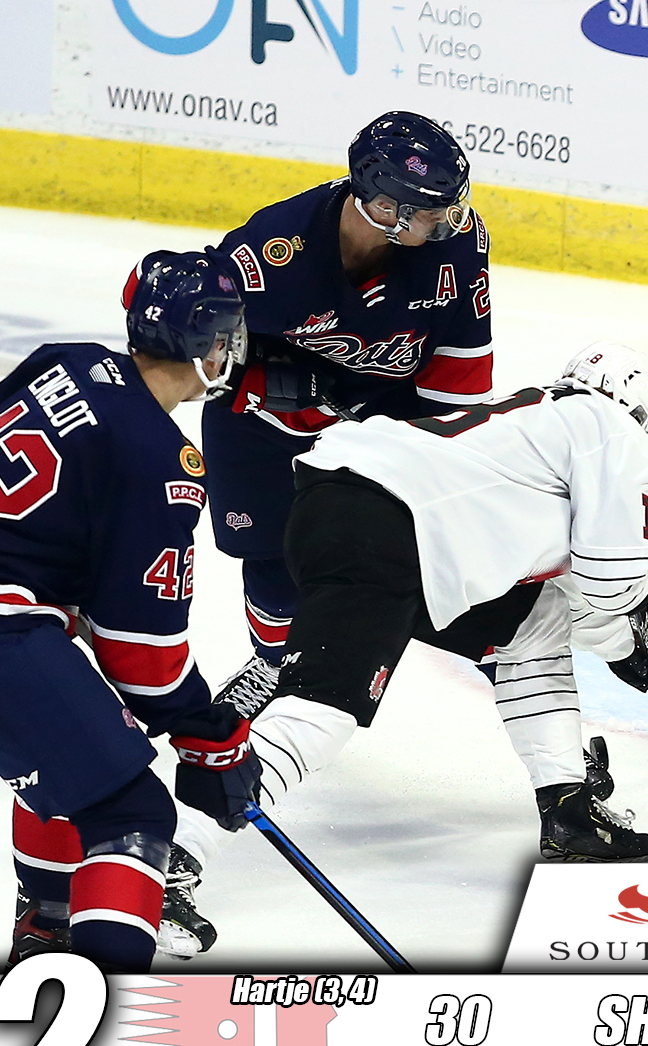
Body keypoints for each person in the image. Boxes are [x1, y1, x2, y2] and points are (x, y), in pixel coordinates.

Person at [0, 251, 264, 969]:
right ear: (204, 341)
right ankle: (98, 1009)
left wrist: (39, 577)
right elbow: (143, 652)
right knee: (132, 813)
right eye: (227, 335)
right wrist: (209, 738)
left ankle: (50, 927)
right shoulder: (163, 463)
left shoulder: (67, 361)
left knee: (75, 756)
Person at [241, 341, 648, 861]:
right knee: (320, 714)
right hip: (388, 527)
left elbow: (568, 591)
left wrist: (624, 642)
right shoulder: (610, 428)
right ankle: (180, 845)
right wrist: (640, 601)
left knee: (534, 626)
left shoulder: (541, 428)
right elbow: (611, 580)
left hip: (361, 511)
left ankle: (568, 808)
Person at [201, 110, 495, 714]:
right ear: (383, 208)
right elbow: (196, 348)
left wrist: (450, 455)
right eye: (430, 210)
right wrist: (275, 380)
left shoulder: (456, 246)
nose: (449, 220)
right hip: (266, 424)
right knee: (270, 552)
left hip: (384, 417)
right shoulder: (271, 254)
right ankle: (276, 666)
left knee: (422, 545)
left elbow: (462, 362)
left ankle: (516, 668)